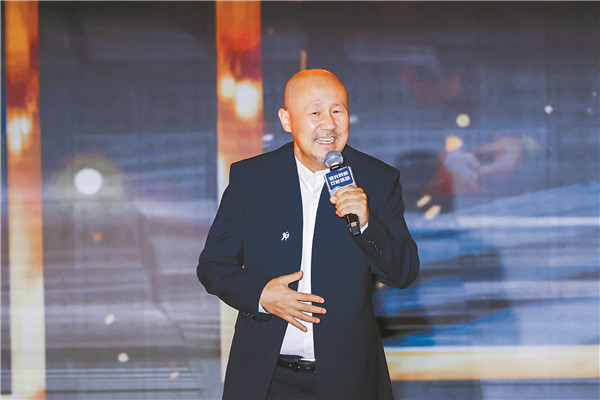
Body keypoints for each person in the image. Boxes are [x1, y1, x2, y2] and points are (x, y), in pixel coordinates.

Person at [197, 69, 419, 399]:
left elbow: (403, 273)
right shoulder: (252, 178)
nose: (329, 124)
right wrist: (261, 295)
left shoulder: (377, 179)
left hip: (349, 379)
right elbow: (214, 265)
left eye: (337, 110)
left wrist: (367, 223)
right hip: (265, 378)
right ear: (287, 120)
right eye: (315, 113)